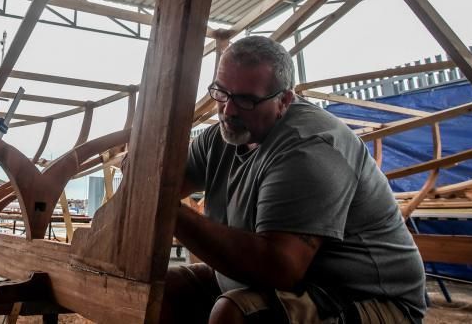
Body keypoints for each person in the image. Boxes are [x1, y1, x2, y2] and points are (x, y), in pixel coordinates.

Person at [161, 36, 426, 324]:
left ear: (284, 100)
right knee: (165, 290)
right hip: (283, 286)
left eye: (246, 100)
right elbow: (165, 182)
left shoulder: (309, 146)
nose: (228, 110)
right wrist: (145, 171)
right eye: (221, 93)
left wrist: (164, 210)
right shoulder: (221, 137)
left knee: (236, 315)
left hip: (365, 297)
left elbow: (279, 268)